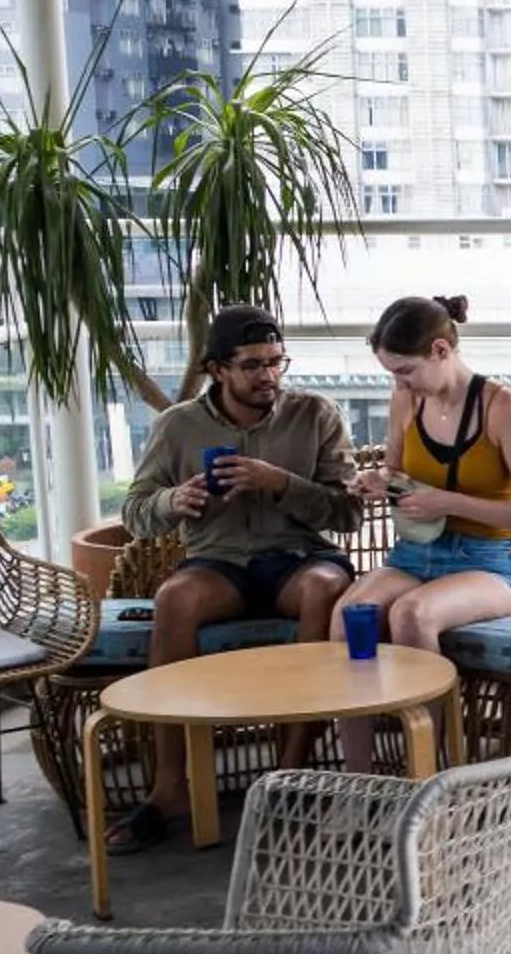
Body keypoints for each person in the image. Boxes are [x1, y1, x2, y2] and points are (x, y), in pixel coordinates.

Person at [110, 303, 360, 852]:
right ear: (217, 369)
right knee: (175, 598)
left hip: (299, 557)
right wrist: (175, 500)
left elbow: (348, 513)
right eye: (252, 365)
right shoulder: (177, 426)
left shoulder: (315, 414)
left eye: (276, 362)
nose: (269, 375)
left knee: (325, 588)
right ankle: (169, 789)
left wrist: (281, 483)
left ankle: (287, 780)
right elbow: (135, 512)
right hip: (218, 561)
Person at [330, 295, 511, 772]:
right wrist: (379, 484)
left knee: (413, 614)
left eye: (405, 371)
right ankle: (358, 778)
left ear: (440, 350)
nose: (399, 383)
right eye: (392, 373)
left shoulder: (500, 407)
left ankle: (427, 776)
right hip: (415, 554)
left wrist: (448, 502)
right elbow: (396, 474)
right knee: (349, 614)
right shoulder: (406, 400)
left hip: (488, 561)